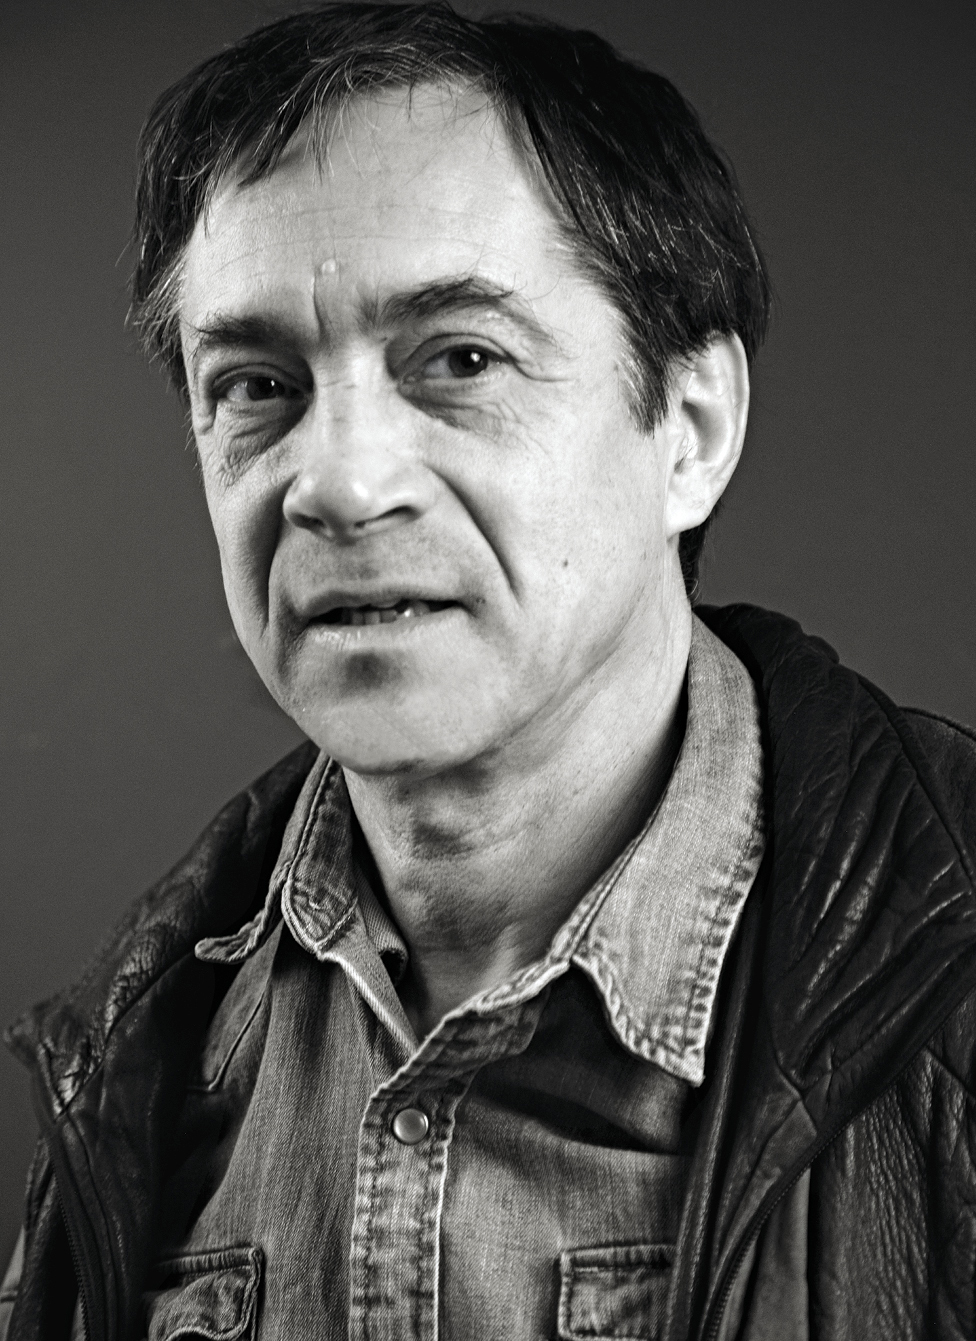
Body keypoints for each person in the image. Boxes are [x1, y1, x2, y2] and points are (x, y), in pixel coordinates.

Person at [3, 4, 976, 1339]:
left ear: (691, 430)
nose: (339, 483)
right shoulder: (142, 1052)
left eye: (460, 359)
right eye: (257, 385)